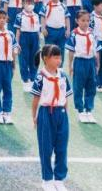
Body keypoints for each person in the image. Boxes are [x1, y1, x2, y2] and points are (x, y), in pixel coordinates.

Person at [31, 45, 71, 190]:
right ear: (46, 59)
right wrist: (34, 116)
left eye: (59, 57)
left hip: (61, 114)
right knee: (45, 147)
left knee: (61, 147)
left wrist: (65, 115)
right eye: (55, 57)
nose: (58, 60)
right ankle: (47, 179)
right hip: (45, 113)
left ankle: (59, 178)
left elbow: (66, 98)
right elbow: (36, 99)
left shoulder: (63, 76)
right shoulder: (40, 77)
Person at [64, 9, 98, 124]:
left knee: (91, 86)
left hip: (91, 62)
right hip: (79, 62)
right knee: (78, 86)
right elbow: (71, 52)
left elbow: (95, 49)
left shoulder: (92, 33)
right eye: (82, 20)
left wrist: (97, 63)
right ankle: (80, 110)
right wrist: (70, 66)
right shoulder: (74, 34)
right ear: (77, 21)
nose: (85, 23)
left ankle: (89, 110)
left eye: (87, 20)